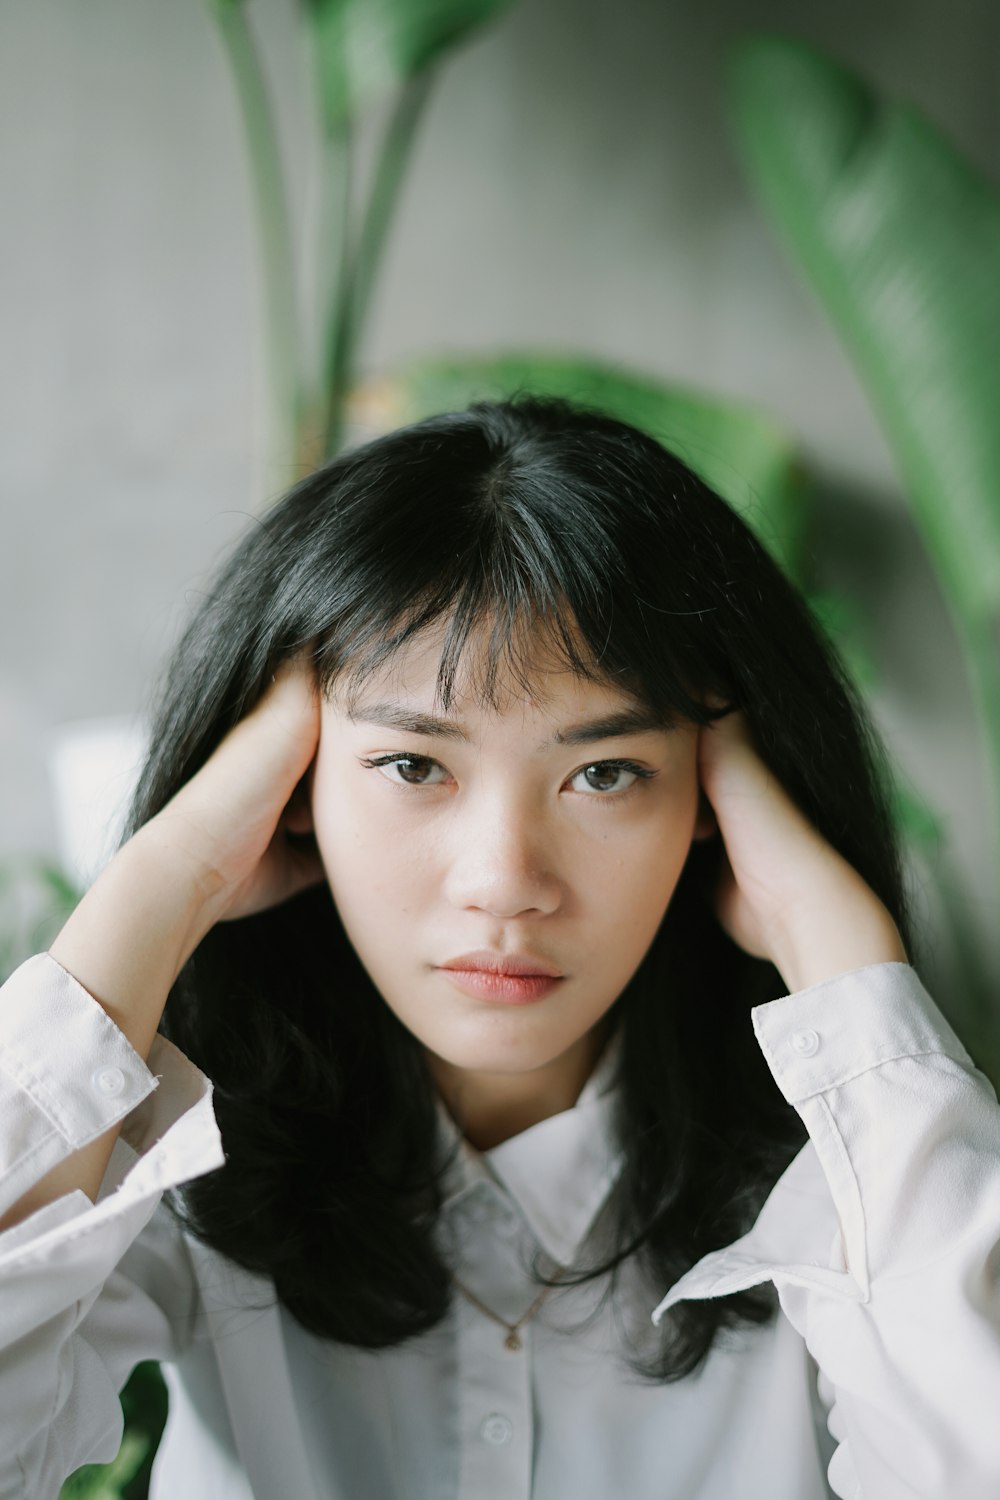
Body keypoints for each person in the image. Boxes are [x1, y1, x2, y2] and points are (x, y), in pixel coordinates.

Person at [0, 397, 998, 1500]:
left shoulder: (850, 1183)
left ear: (713, 800)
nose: (506, 882)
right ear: (285, 790)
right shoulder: (184, 1158)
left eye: (604, 773)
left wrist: (842, 959)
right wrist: (161, 879)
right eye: (414, 767)